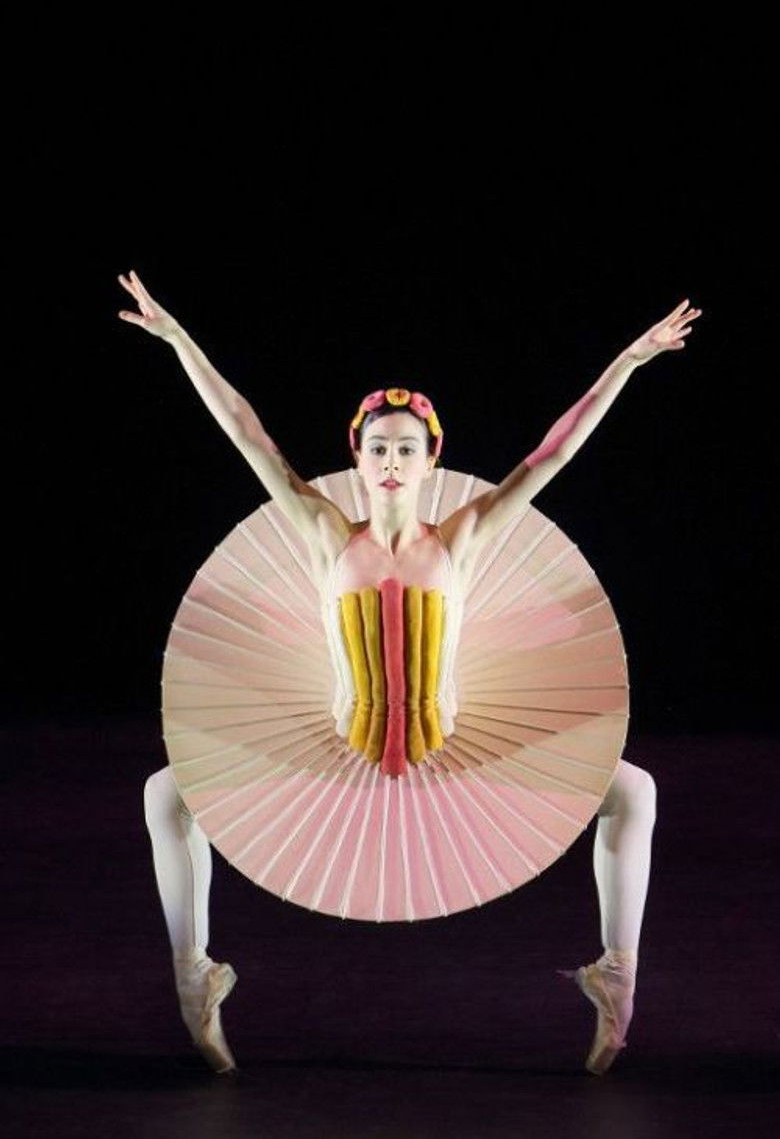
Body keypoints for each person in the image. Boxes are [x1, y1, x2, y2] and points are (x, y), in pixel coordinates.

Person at [119, 270, 701, 1075]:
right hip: (335, 748)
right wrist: (180, 339)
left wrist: (629, 361)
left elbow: (554, 451)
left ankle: (618, 978)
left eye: (406, 449)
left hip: (454, 751)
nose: (392, 460)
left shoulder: (463, 537)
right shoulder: (324, 532)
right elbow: (247, 433)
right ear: (357, 458)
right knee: (166, 793)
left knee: (635, 791)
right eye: (379, 448)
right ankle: (194, 979)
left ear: (431, 461)